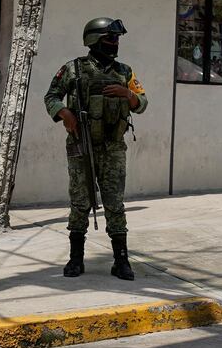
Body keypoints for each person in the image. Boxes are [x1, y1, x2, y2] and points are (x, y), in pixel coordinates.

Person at [43, 18, 147, 281]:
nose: (115, 44)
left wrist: (128, 95)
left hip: (113, 148)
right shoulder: (73, 70)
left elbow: (142, 103)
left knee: (114, 203)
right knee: (80, 201)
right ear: (94, 40)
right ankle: (75, 259)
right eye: (110, 39)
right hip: (81, 144)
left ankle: (121, 261)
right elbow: (51, 96)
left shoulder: (125, 72)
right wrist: (64, 113)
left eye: (116, 39)